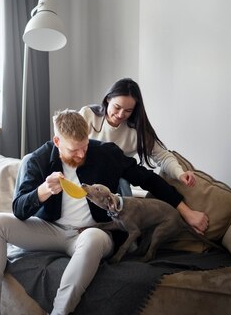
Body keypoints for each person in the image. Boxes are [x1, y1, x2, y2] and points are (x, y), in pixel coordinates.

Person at [0, 109, 204, 315]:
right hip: (49, 230)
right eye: (74, 150)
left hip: (93, 232)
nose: (82, 154)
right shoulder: (37, 160)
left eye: (84, 147)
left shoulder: (105, 153)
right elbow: (18, 209)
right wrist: (42, 191)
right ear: (57, 142)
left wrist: (185, 210)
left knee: (93, 239)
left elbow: (148, 180)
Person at [79, 77, 208, 233]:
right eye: (117, 107)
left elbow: (162, 157)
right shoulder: (88, 115)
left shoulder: (136, 131)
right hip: (85, 173)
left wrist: (180, 174)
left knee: (142, 179)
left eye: (128, 111)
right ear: (108, 99)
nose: (121, 115)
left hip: (118, 178)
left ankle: (125, 233)